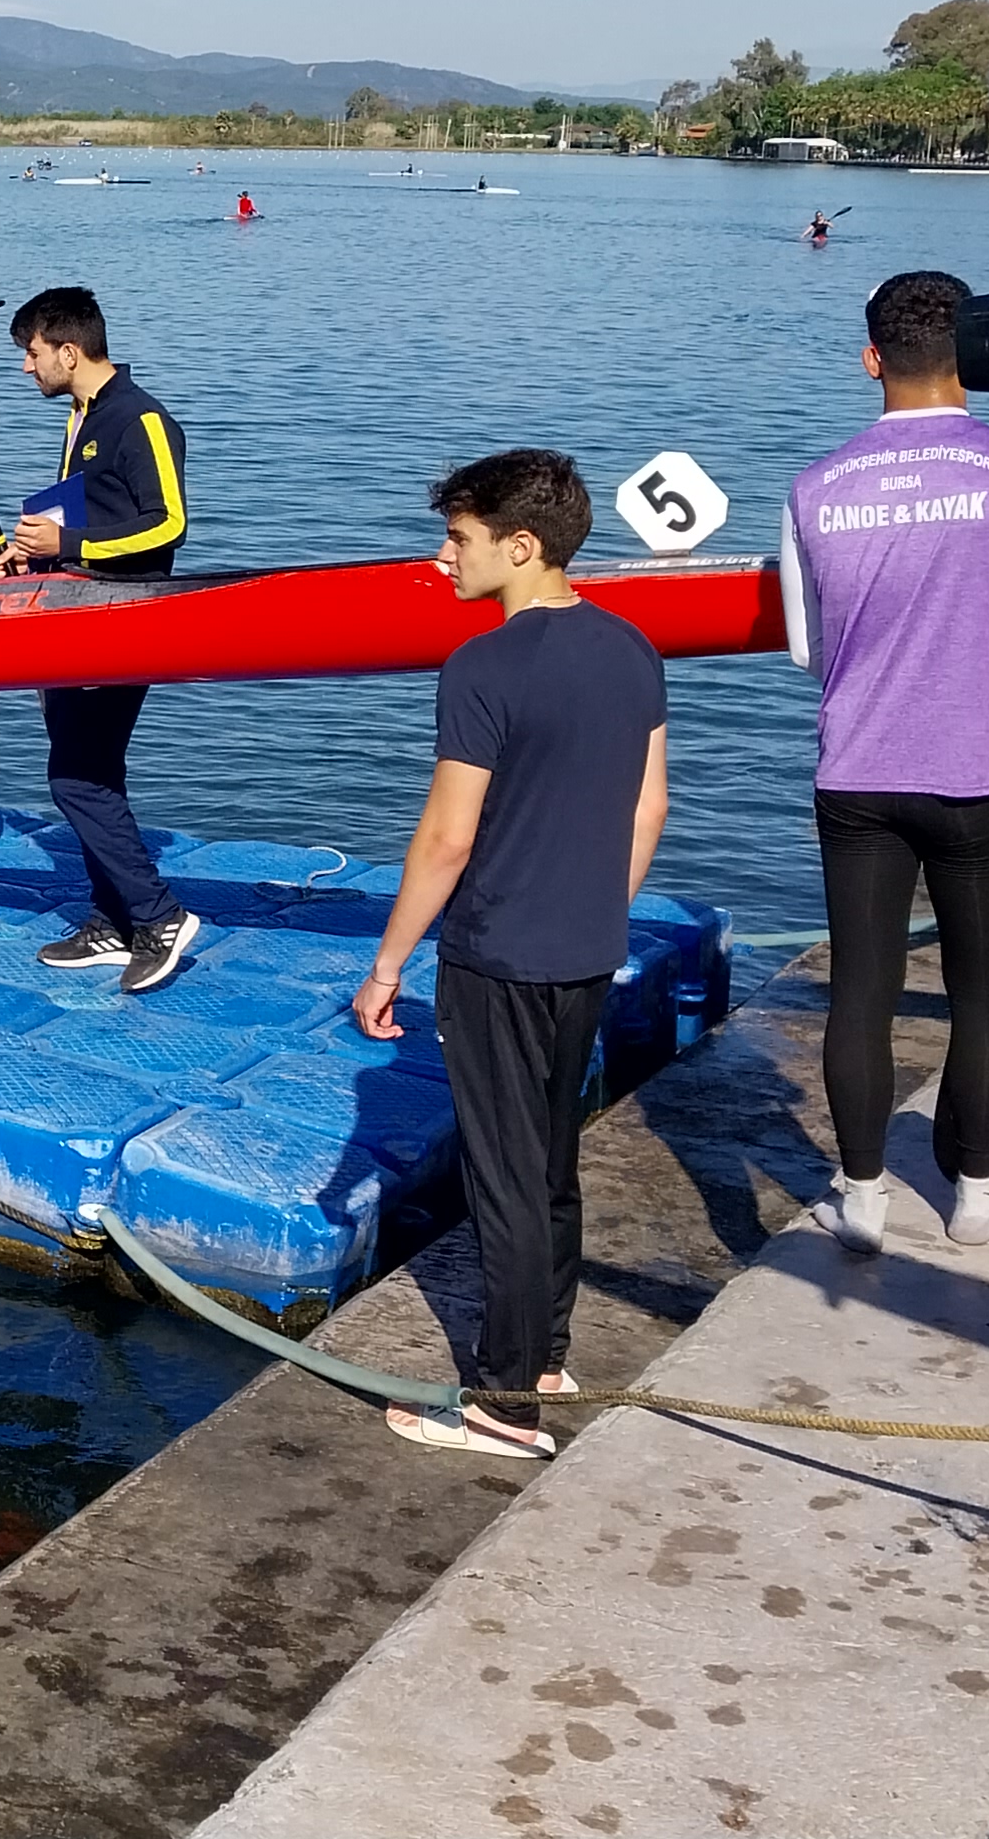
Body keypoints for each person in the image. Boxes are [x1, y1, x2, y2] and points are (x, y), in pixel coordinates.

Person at [788, 271, 989, 1255]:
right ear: (973, 359)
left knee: (860, 989)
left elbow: (808, 648)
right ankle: (975, 1197)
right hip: (976, 776)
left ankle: (862, 1198)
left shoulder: (815, 483)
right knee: (981, 988)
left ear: (871, 359)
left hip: (856, 777)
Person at [356, 450, 670, 1462]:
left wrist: (390, 960)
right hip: (586, 950)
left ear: (520, 546)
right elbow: (648, 806)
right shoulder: (633, 649)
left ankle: (501, 1402)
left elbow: (448, 837)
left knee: (502, 1177)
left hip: (496, 955)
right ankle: (545, 1357)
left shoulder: (481, 666)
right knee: (551, 1157)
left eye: (460, 538)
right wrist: (594, 910)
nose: (444, 556)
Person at [0, 287, 201, 990]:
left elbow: (167, 523)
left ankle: (159, 915)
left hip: (122, 620)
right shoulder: (84, 415)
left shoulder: (139, 418)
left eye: (30, 354)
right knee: (90, 770)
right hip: (74, 611)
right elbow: (79, 511)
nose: (25, 368)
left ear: (68, 350)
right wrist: (27, 547)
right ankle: (112, 920)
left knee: (75, 778)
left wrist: (71, 541)